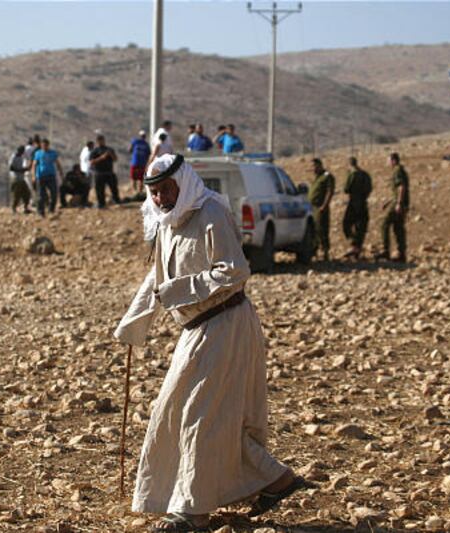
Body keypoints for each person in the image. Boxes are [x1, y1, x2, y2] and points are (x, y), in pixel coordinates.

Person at [114, 153, 307, 532]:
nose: (159, 198)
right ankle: (275, 479)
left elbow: (234, 272)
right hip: (196, 330)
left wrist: (179, 290)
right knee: (184, 412)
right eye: (153, 192)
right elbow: (155, 281)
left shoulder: (210, 213)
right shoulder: (165, 222)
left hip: (225, 324)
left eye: (166, 189)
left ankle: (192, 512)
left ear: (182, 183)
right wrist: (133, 326)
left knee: (199, 417)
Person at [376, 152, 410, 263]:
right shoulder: (400, 170)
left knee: (384, 224)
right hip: (399, 202)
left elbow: (401, 187)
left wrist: (398, 203)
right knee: (398, 228)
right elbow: (397, 190)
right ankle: (401, 254)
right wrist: (388, 202)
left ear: (394, 161)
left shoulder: (397, 171)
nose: (388, 163)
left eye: (388, 161)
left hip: (399, 203)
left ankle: (385, 250)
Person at [342, 157, 372, 259]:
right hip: (363, 202)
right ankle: (357, 247)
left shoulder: (352, 175)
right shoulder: (365, 174)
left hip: (353, 202)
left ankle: (354, 244)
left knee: (346, 223)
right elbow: (369, 188)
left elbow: (346, 189)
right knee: (361, 226)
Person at [308, 158, 335, 261]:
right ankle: (314, 251)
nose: (313, 168)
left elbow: (329, 191)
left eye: (315, 166)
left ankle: (325, 251)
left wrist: (324, 205)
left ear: (320, 165)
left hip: (320, 207)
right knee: (313, 229)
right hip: (312, 207)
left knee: (321, 229)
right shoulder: (317, 178)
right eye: (312, 166)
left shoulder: (326, 176)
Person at [31, 138, 63, 217]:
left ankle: (51, 209)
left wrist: (61, 173)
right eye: (43, 145)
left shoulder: (53, 153)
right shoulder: (38, 153)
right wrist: (33, 176)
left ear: (48, 145)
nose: (45, 146)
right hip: (41, 176)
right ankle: (40, 212)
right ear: (41, 145)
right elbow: (34, 165)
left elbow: (58, 163)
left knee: (54, 194)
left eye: (46, 145)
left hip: (51, 176)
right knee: (41, 195)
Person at [90, 134, 120, 208]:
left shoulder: (109, 149)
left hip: (109, 172)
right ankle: (101, 203)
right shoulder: (95, 151)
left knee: (114, 188)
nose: (101, 142)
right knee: (99, 190)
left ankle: (117, 201)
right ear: (97, 141)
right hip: (99, 173)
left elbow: (115, 159)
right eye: (99, 140)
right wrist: (102, 157)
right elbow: (92, 162)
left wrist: (111, 155)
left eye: (102, 140)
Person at [8, 146, 31, 214]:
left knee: (26, 193)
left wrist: (25, 169)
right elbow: (11, 168)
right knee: (16, 195)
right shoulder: (13, 157)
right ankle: (13, 209)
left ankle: (25, 208)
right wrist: (20, 170)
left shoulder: (21, 157)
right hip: (16, 178)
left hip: (21, 178)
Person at [129, 130, 151, 195]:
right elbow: (148, 154)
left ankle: (136, 192)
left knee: (136, 178)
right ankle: (137, 192)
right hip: (139, 163)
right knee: (137, 178)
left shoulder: (136, 142)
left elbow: (130, 150)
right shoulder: (145, 144)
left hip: (137, 163)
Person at [23, 136, 39, 204]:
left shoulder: (24, 149)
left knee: (29, 186)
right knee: (34, 186)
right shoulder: (35, 149)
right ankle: (34, 200)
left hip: (26, 168)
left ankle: (32, 201)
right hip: (33, 169)